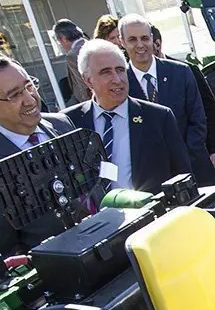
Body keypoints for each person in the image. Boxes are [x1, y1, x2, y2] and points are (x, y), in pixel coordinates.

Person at [0, 51, 76, 255]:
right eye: (14, 95)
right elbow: (0, 258)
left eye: (29, 85)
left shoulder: (61, 124)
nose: (30, 100)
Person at [64, 40, 191, 194]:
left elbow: (183, 175)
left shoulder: (158, 117)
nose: (117, 79)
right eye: (106, 72)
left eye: (120, 70)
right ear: (88, 80)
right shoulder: (69, 123)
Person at [120, 14, 215, 186]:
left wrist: (182, 158)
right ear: (122, 42)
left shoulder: (181, 72)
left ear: (152, 39)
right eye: (132, 39)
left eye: (144, 38)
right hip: (151, 179)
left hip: (195, 171)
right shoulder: (121, 84)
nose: (140, 45)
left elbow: (198, 120)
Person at [152, 26, 215, 171]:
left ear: (158, 44)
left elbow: (209, 110)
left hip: (197, 154)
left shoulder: (187, 70)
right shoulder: (131, 79)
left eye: (145, 41)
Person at [53, 19, 90, 104]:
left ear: (63, 38)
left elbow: (83, 85)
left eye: (59, 41)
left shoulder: (72, 55)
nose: (61, 45)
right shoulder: (92, 44)